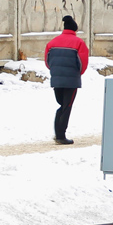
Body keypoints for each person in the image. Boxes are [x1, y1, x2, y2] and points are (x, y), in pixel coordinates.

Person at [44, 15, 89, 145]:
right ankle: (60, 136)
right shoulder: (79, 43)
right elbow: (83, 64)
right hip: (71, 80)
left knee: (61, 105)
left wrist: (56, 72)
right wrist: (76, 74)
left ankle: (58, 133)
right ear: (74, 29)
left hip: (56, 79)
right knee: (67, 106)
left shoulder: (52, 42)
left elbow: (47, 62)